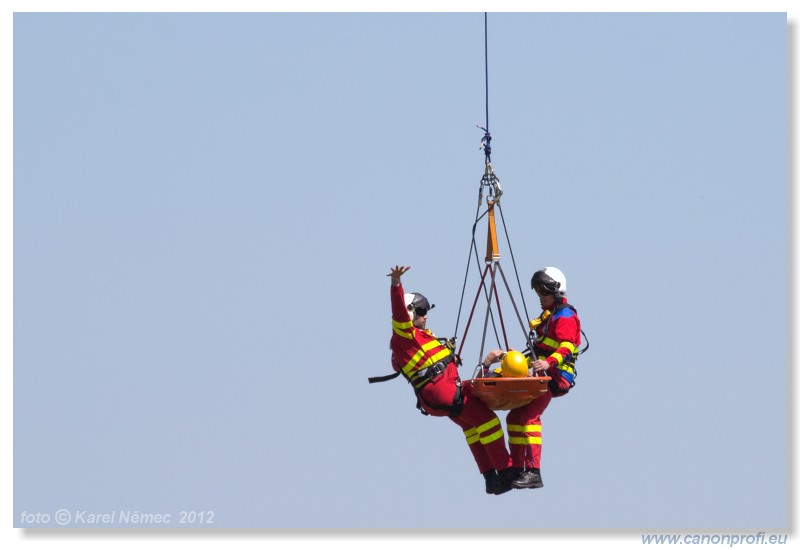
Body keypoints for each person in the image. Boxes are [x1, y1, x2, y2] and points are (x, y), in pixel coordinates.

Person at [387, 265, 516, 495]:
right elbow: (398, 312)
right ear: (410, 312)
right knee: (490, 423)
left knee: (473, 428)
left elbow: (427, 363)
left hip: (438, 399)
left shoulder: (419, 341)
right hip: (445, 394)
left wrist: (452, 358)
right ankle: (506, 473)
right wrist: (396, 283)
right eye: (421, 311)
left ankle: (490, 479)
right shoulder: (404, 336)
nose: (426, 316)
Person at [481, 266, 581, 490]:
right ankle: (519, 469)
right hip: (542, 372)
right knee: (514, 418)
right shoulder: (549, 316)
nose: (540, 298)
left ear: (555, 291)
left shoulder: (564, 315)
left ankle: (534, 471)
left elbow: (567, 346)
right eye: (538, 293)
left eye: (543, 293)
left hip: (555, 375)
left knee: (528, 417)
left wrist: (548, 363)